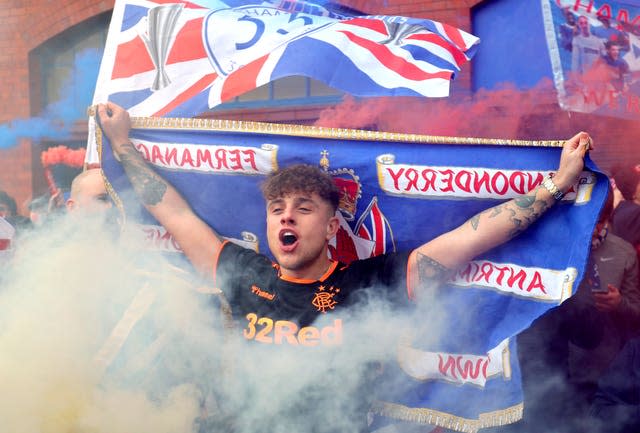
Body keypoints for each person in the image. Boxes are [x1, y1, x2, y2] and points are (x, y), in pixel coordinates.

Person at [97, 101, 592, 431]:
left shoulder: (372, 282)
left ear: (333, 227)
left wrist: (555, 185)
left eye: (304, 208)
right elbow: (173, 212)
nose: (286, 216)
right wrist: (121, 144)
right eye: (277, 209)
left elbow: (471, 236)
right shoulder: (243, 272)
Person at [567, 184, 640, 421]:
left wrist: (619, 304)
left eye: (596, 220)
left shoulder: (624, 252)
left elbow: (637, 313)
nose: (590, 227)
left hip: (608, 370)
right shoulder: (560, 251)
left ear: (607, 217)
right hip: (561, 368)